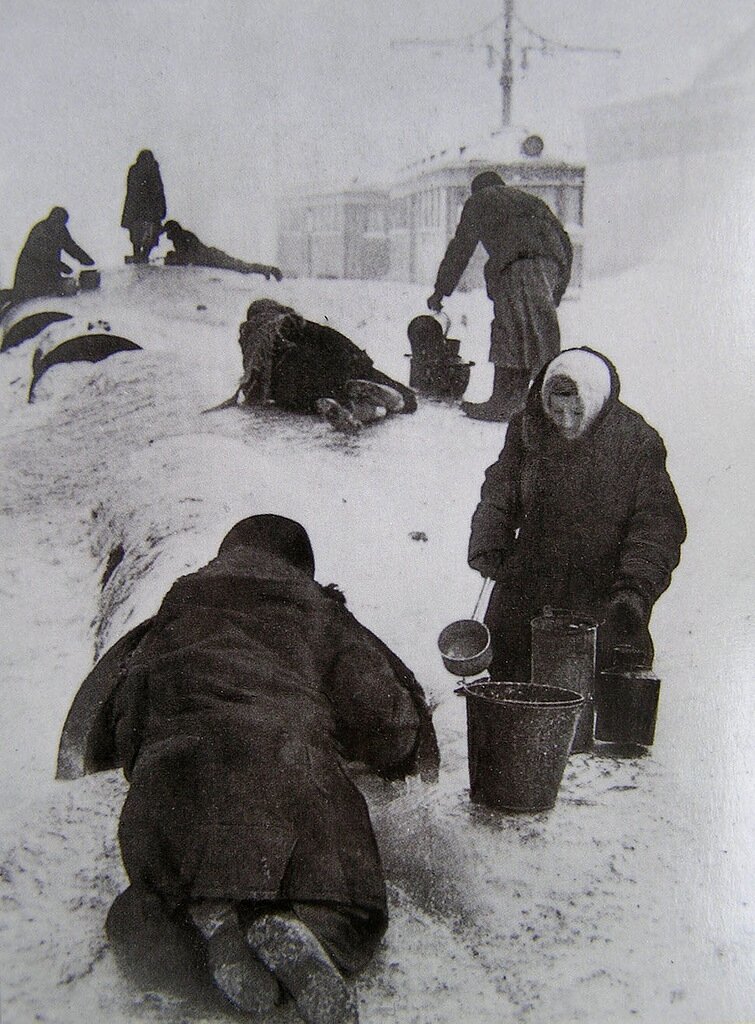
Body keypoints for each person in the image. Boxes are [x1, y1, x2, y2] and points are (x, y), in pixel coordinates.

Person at [60, 515, 439, 1024]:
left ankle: (207, 923)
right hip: (292, 777)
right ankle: (304, 927)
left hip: (173, 788)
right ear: (300, 568)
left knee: (156, 910)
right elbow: (384, 721)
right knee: (346, 903)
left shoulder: (175, 609)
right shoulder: (319, 611)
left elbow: (124, 719)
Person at [467, 348, 686, 681]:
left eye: (576, 410)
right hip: (529, 578)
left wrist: (633, 591)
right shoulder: (530, 427)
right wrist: (489, 537)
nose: (566, 422)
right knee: (512, 680)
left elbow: (656, 527)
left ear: (595, 399)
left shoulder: (635, 443)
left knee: (587, 685)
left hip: (600, 587)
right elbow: (501, 489)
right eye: (557, 409)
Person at [427, 170, 573, 422]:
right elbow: (565, 241)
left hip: (518, 265)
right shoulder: (531, 200)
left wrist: (441, 290)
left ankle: (504, 403)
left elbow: (461, 248)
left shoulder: (481, 200)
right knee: (541, 334)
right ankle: (544, 407)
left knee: (509, 330)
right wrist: (558, 288)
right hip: (551, 266)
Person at [234, 299, 417, 432]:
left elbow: (255, 381)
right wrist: (362, 361)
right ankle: (396, 400)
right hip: (333, 366)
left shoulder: (252, 339)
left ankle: (359, 409)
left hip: (294, 390)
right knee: (382, 387)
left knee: (320, 398)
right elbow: (332, 338)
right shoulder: (294, 322)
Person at [11, 207, 94, 302]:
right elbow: (41, 257)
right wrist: (62, 267)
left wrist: (86, 259)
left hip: (50, 274)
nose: (61, 225)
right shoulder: (40, 230)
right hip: (31, 277)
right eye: (60, 222)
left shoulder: (61, 229)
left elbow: (71, 246)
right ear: (53, 219)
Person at [162, 220, 283, 281]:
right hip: (211, 255)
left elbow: (188, 257)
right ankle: (266, 270)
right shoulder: (183, 236)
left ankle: (270, 270)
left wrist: (171, 257)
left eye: (168, 232)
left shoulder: (181, 238)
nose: (167, 235)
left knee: (240, 267)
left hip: (211, 257)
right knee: (240, 266)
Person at [121, 149, 166, 263]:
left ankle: (139, 256)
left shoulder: (135, 170)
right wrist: (161, 210)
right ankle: (142, 256)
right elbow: (159, 191)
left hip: (137, 212)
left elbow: (131, 193)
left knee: (137, 237)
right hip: (150, 212)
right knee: (149, 237)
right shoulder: (153, 170)